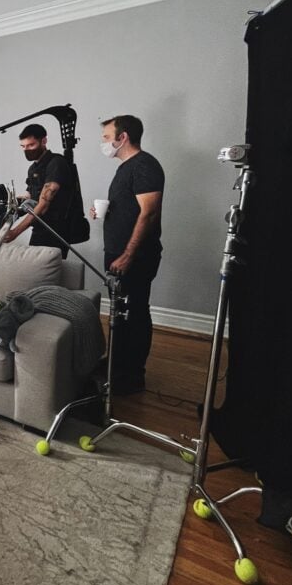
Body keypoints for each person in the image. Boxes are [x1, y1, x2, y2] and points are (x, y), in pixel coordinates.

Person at [91, 115, 164, 395]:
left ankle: (133, 375)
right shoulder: (125, 168)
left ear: (123, 138)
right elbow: (130, 208)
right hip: (116, 252)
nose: (104, 143)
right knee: (119, 311)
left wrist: (128, 255)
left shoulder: (145, 165)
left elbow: (149, 212)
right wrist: (105, 212)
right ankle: (116, 364)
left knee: (135, 312)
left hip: (135, 256)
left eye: (107, 137)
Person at [3, 123, 83, 257]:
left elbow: (44, 204)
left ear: (44, 141)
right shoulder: (33, 168)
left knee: (43, 273)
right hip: (39, 227)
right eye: (23, 146)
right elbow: (30, 195)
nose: (27, 150)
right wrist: (11, 206)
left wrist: (16, 232)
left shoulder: (56, 163)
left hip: (55, 230)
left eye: (31, 145)